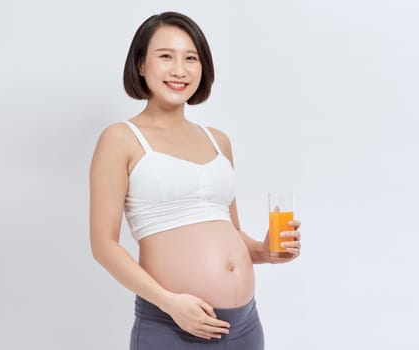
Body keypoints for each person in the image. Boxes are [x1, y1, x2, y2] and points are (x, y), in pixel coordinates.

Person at [89, 11, 301, 350]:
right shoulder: (121, 139)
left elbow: (229, 231)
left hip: (246, 326)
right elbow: (104, 246)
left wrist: (264, 250)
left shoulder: (218, 140)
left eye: (191, 58)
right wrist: (170, 303)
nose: (179, 70)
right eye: (165, 57)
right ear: (141, 65)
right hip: (173, 326)